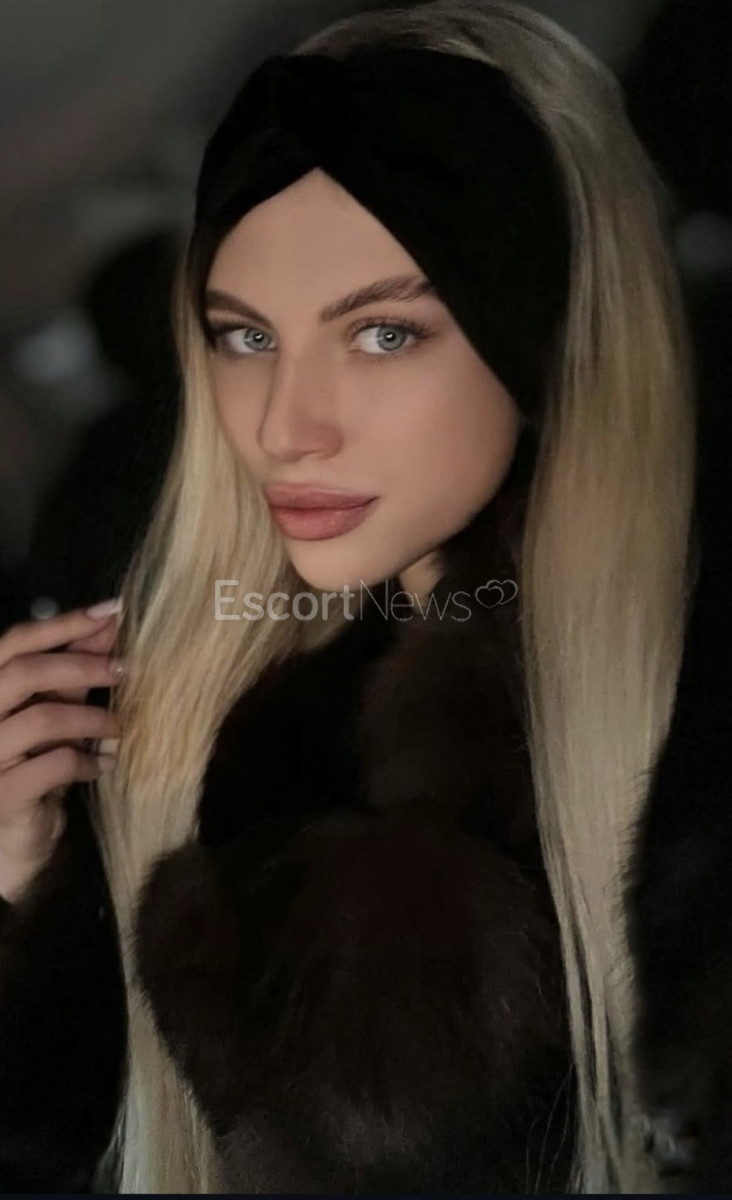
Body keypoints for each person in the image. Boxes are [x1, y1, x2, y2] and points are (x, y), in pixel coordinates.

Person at [0, 0, 699, 1192]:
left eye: (382, 334)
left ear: (548, 331)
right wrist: (20, 892)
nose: (287, 425)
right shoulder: (182, 744)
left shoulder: (685, 755)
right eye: (244, 337)